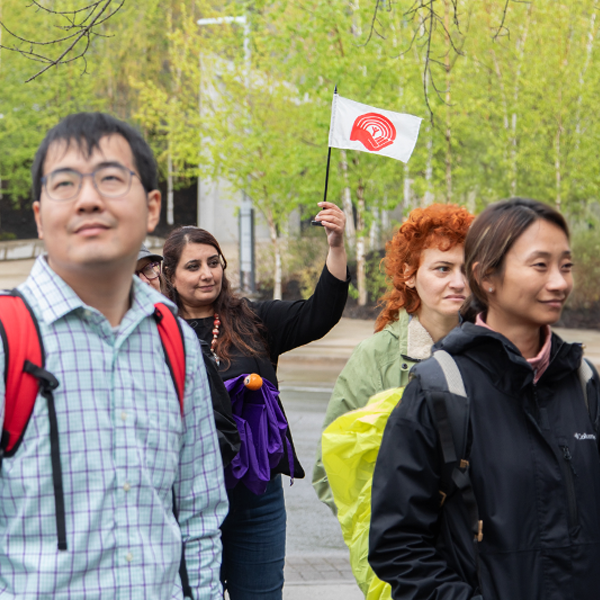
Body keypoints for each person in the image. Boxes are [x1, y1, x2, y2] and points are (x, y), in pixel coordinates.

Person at [1, 112, 228, 598]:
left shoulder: (176, 341)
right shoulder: (6, 339)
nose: (88, 199)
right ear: (40, 214)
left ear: (151, 208)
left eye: (110, 179)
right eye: (65, 183)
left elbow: (199, 511)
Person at [369, 198, 600, 600]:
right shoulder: (440, 389)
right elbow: (398, 544)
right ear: (486, 277)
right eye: (540, 265)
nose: (560, 282)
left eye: (566, 266)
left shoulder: (584, 382)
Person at [162, 201, 349, 600]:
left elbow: (321, 314)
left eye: (214, 262)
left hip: (255, 499)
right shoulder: (157, 332)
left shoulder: (253, 319)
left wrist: (336, 245)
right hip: (184, 501)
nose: (207, 273)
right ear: (170, 275)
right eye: (193, 266)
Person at [313, 204, 474, 512]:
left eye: (467, 269)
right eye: (443, 268)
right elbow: (331, 467)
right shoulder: (375, 357)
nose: (458, 282)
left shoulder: (496, 351)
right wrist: (392, 535)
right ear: (409, 275)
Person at [135, 243, 241, 467]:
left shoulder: (183, 342)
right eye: (132, 274)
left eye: (148, 269)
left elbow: (223, 433)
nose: (145, 280)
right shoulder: (88, 348)